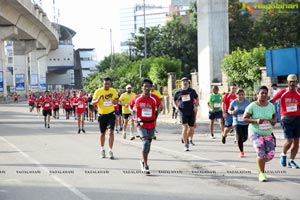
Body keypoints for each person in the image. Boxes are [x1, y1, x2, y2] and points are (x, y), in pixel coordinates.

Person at [243, 86, 276, 182]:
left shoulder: (271, 106)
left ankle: (260, 163)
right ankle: (262, 173)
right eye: (262, 93)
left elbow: (274, 116)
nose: (264, 95)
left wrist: (274, 121)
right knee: (261, 152)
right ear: (257, 94)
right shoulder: (252, 106)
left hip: (268, 132)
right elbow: (244, 118)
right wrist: (256, 120)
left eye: (266, 93)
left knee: (270, 154)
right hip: (255, 132)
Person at [129, 79, 162, 175]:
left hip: (151, 123)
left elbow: (160, 106)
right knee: (145, 142)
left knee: (148, 144)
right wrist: (132, 111)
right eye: (145, 86)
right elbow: (130, 106)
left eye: (149, 86)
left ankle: (143, 160)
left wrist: (157, 113)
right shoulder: (136, 98)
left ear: (152, 87)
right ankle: (145, 165)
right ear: (142, 87)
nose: (147, 88)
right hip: (140, 123)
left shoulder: (155, 98)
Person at [270, 74, 300, 169]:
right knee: (289, 140)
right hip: (286, 119)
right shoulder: (282, 92)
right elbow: (271, 101)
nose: (292, 83)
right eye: (290, 81)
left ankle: (291, 161)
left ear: (296, 82)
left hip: (297, 118)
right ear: (287, 82)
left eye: (294, 81)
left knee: (296, 141)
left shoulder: (298, 94)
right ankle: (283, 154)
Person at [92, 77, 119, 159]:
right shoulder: (98, 91)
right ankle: (102, 149)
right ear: (102, 84)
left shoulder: (113, 91)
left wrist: (115, 101)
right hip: (102, 115)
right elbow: (92, 103)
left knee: (111, 131)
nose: (106, 85)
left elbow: (116, 100)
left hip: (111, 114)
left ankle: (110, 150)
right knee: (102, 133)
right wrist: (98, 100)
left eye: (108, 84)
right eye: (105, 84)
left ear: (110, 84)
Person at [173, 77, 199, 151]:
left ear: (188, 83)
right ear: (181, 83)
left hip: (191, 111)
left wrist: (196, 106)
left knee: (191, 128)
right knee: (185, 127)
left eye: (186, 81)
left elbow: (196, 98)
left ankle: (185, 137)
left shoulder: (192, 91)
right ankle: (186, 144)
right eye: (183, 81)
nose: (185, 83)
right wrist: (176, 107)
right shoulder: (178, 92)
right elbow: (174, 101)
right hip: (182, 112)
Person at [228, 88, 250, 157]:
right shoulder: (234, 102)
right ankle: (241, 151)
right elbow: (229, 110)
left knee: (245, 137)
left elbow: (251, 110)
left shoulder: (247, 102)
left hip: (245, 121)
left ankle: (239, 142)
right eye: (239, 95)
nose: (241, 96)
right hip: (236, 121)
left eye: (242, 95)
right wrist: (232, 112)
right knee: (240, 136)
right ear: (236, 95)